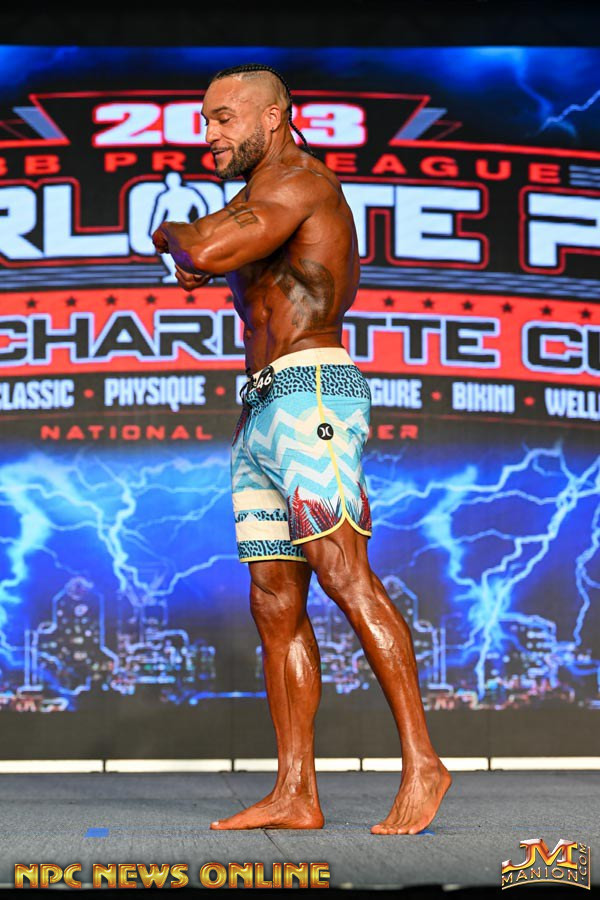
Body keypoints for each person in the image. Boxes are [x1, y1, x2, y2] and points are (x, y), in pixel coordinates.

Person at [151, 63, 452, 835]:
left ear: (274, 117)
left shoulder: (299, 183)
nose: (209, 135)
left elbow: (200, 252)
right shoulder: (256, 199)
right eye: (205, 120)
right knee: (273, 600)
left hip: (310, 394)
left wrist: (175, 233)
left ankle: (424, 762)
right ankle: (296, 792)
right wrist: (199, 246)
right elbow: (219, 257)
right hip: (262, 405)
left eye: (223, 119)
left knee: (343, 572)